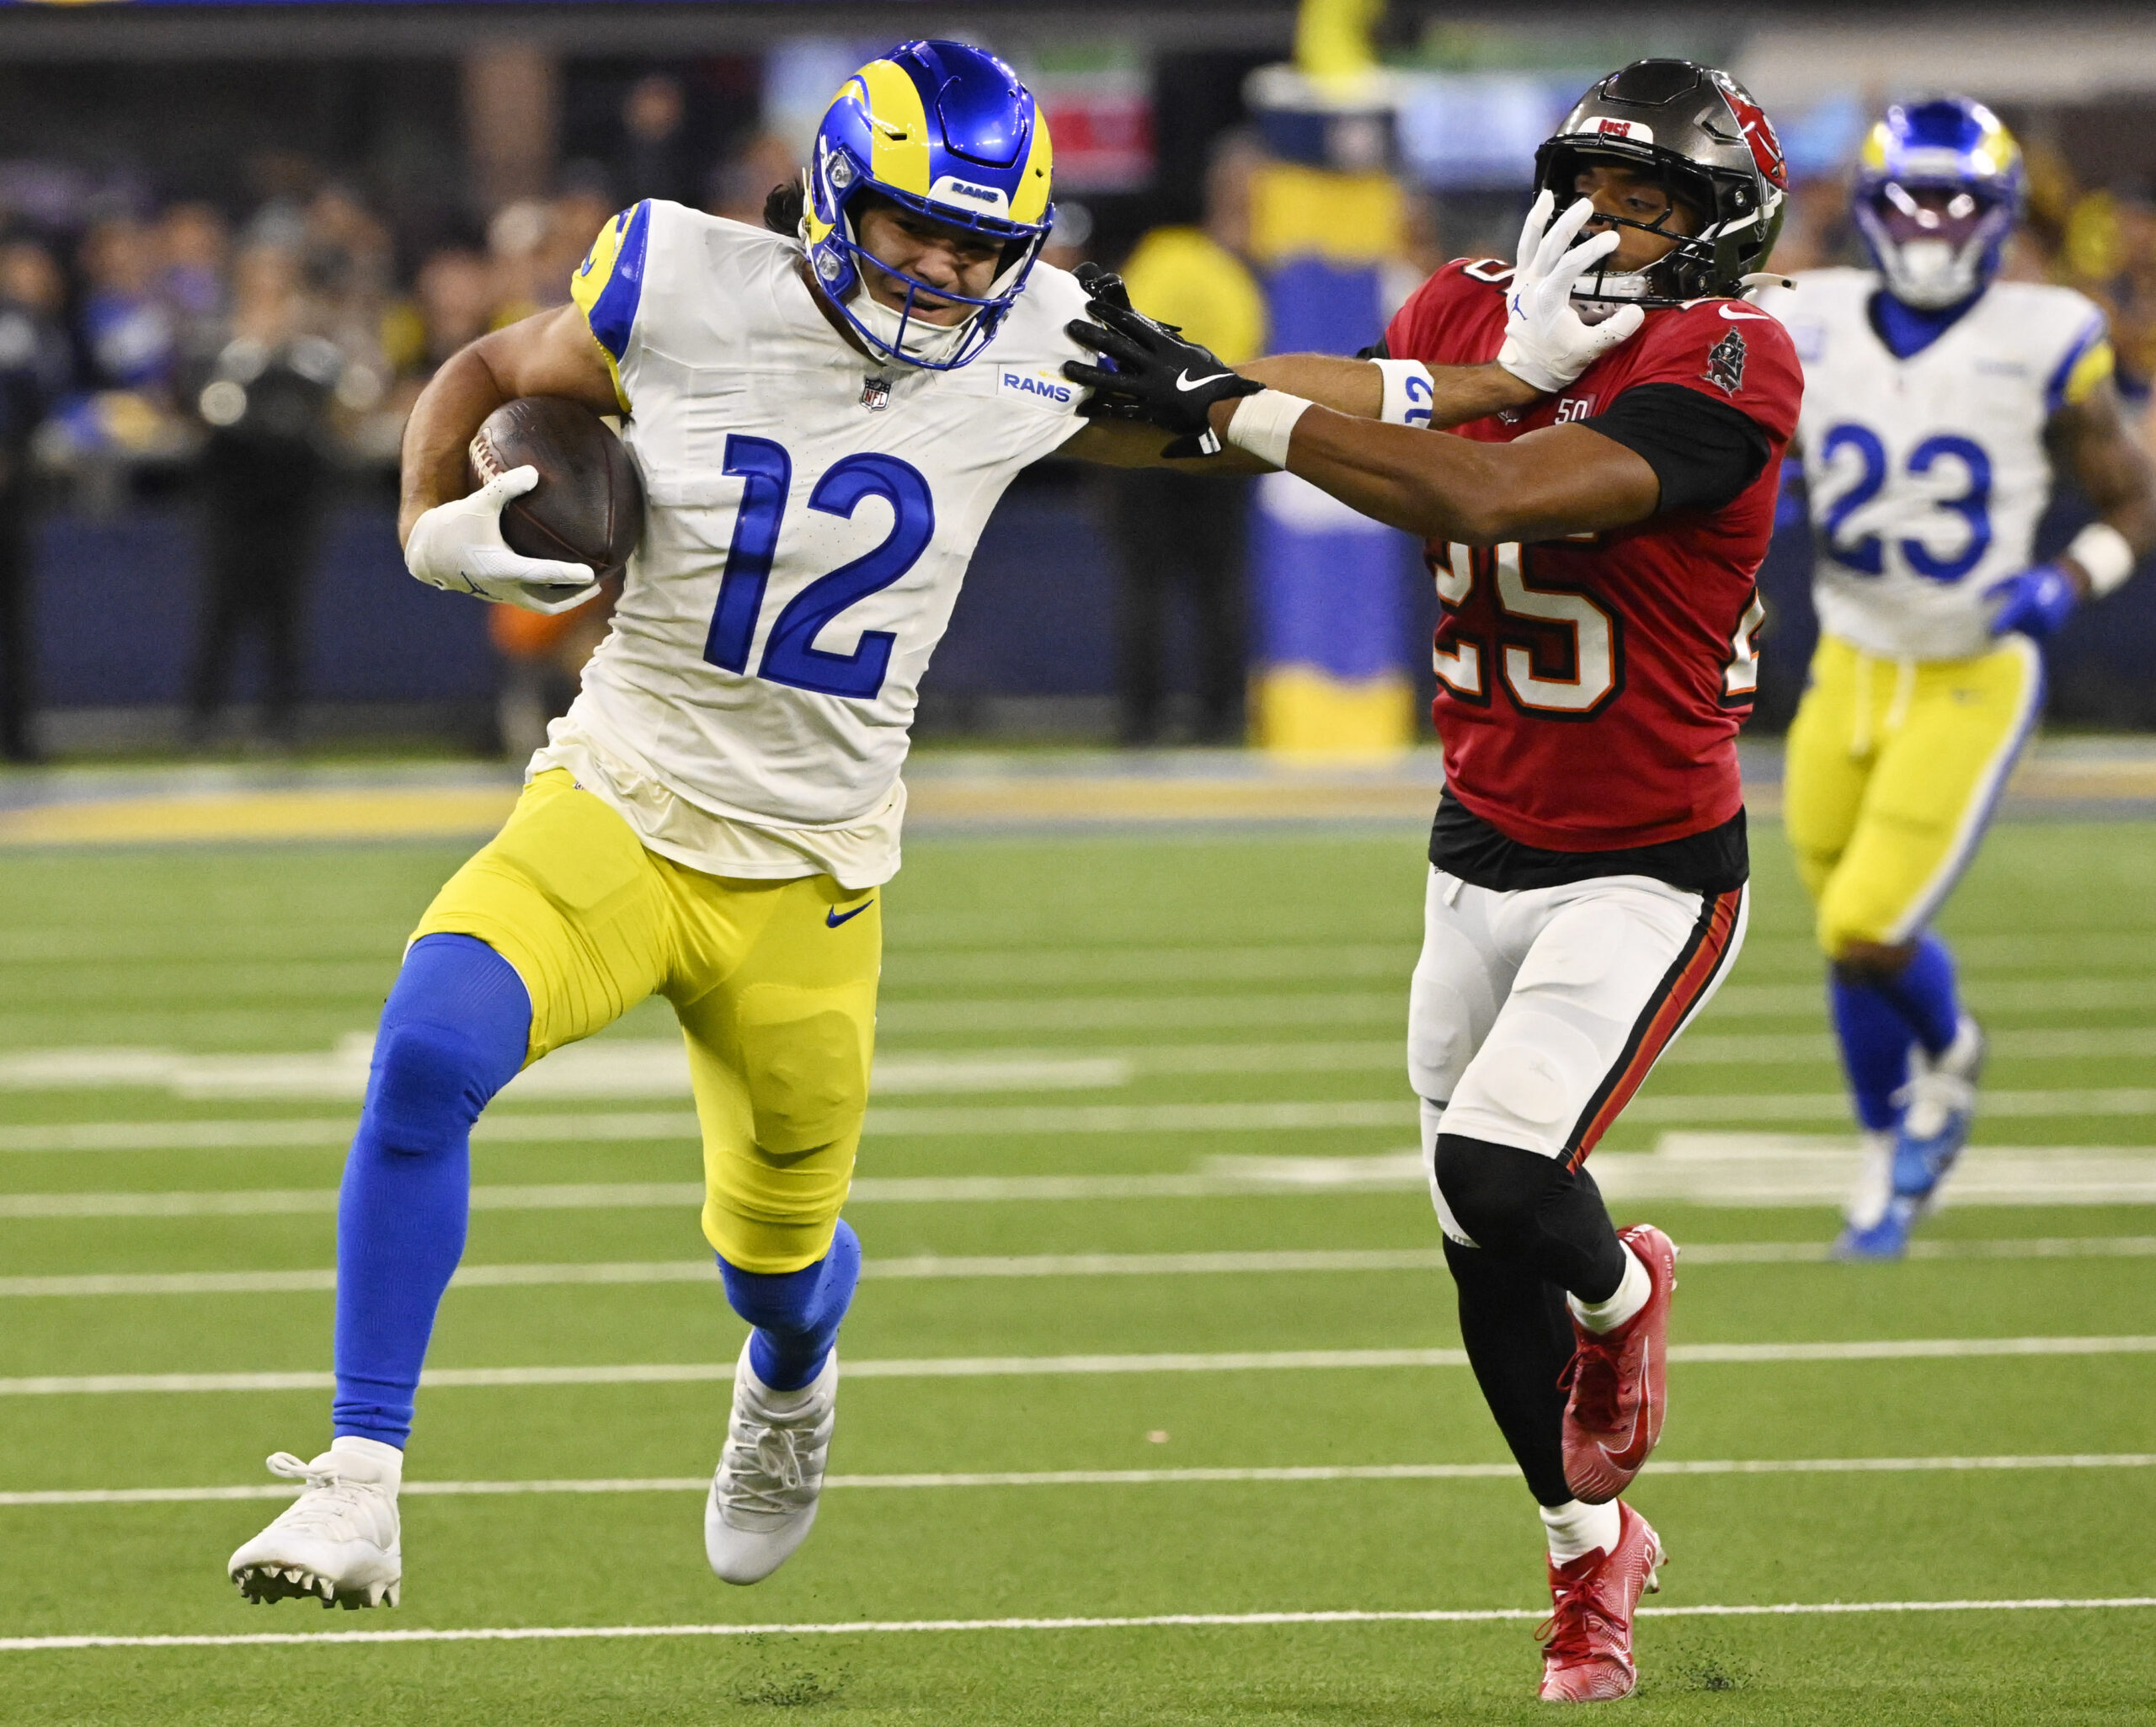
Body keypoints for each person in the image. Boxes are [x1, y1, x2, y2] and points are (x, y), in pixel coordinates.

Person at [222, 38, 1248, 1612]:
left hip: (811, 872)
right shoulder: (684, 279)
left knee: (775, 1266)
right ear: (833, 197)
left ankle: (790, 1378)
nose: (948, 268)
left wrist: (1485, 385)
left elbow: (1272, 411)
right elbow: (487, 366)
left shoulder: (1043, 336)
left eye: (980, 243)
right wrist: (429, 525)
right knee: (425, 1055)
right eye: (916, 227)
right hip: (626, 794)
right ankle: (360, 1481)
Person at [1070, 58, 1799, 1703]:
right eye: (1586, 188)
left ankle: (1626, 1289)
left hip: (1644, 865)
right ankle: (1585, 1552)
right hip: (1473, 847)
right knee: (1473, 1240)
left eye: (1645, 201)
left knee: (1499, 1161)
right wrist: (1197, 390)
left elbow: (1491, 488)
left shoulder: (1729, 354)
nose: (1600, 225)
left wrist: (1236, 408)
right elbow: (1336, 398)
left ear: (1717, 227)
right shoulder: (1476, 307)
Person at [1758, 101, 2156, 1259]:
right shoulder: (1804, 314)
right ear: (1869, 211)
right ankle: (1888, 1140)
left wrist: (2068, 579)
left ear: (2000, 216)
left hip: (1970, 671)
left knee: (1868, 923)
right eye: (1912, 202)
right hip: (1848, 658)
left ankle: (1949, 1051)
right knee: (1842, 931)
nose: (1933, 226)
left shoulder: (2048, 333)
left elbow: (2133, 499)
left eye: (1958, 204)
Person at [1107, 134, 1268, 744]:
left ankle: (1147, 721)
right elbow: (1252, 362)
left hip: (1145, 440)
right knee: (1209, 585)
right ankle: (1217, 718)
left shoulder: (1164, 258)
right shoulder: (1216, 269)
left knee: (1157, 586)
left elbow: (1116, 345)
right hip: (1212, 438)